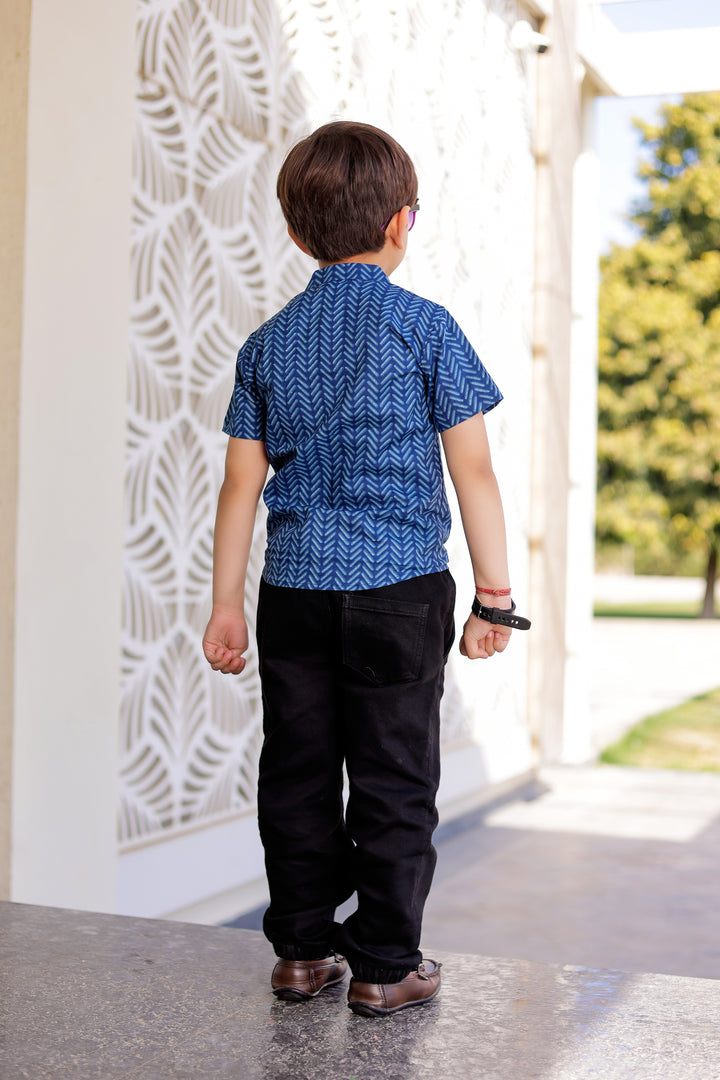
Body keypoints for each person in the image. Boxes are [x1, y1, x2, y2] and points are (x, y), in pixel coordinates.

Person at [202, 121, 529, 1018]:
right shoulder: (425, 327)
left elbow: (240, 486)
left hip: (292, 592)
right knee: (393, 773)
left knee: (298, 770)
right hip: (398, 590)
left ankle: (303, 954)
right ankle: (386, 965)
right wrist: (495, 597)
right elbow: (475, 471)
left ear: (299, 234)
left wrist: (225, 605)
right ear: (400, 222)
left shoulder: (267, 344)